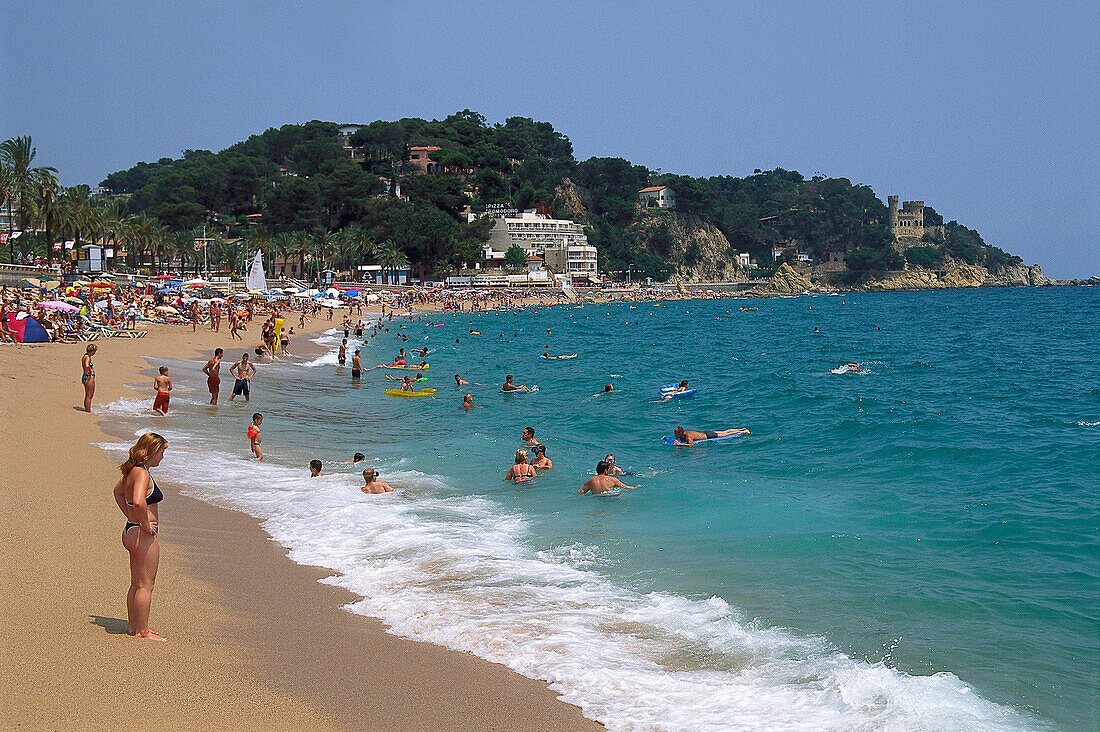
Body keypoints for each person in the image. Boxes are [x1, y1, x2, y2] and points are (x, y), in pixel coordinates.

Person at [112, 432, 169, 641]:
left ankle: (133, 625)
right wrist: (145, 523)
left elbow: (118, 493)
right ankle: (143, 631)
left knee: (136, 583)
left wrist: (131, 517)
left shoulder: (131, 471)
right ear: (152, 451)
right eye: (162, 452)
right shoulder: (142, 473)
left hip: (131, 529)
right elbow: (137, 501)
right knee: (146, 585)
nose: (163, 456)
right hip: (142, 533)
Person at [671, 425, 751, 446]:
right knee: (725, 431)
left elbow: (691, 445)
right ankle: (742, 429)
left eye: (676, 433)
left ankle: (744, 432)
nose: (674, 435)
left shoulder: (688, 436)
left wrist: (680, 444)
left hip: (709, 436)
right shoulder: (683, 434)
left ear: (681, 433)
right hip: (706, 432)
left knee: (727, 433)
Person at [81, 343, 96, 412]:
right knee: (89, 395)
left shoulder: (84, 356)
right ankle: (88, 410)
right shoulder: (87, 357)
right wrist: (89, 371)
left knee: (88, 395)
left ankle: (87, 409)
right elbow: (86, 365)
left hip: (86, 376)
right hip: (89, 377)